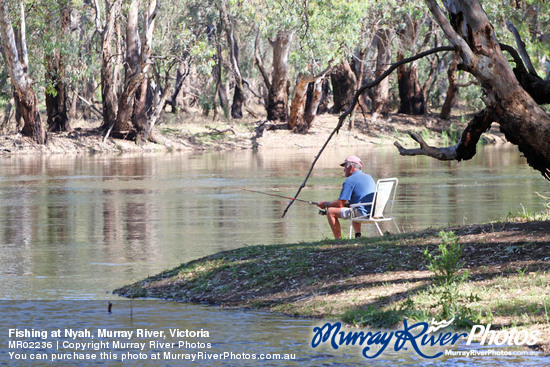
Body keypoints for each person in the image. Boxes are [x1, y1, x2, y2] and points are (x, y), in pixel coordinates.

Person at [317, 155, 375, 239]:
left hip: (363, 213)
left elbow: (340, 204)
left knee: (330, 211)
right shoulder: (369, 177)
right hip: (374, 212)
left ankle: (338, 240)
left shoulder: (350, 181)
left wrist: (325, 204)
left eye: (345, 167)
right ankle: (358, 236)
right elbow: (359, 202)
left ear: (351, 167)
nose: (344, 170)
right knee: (353, 207)